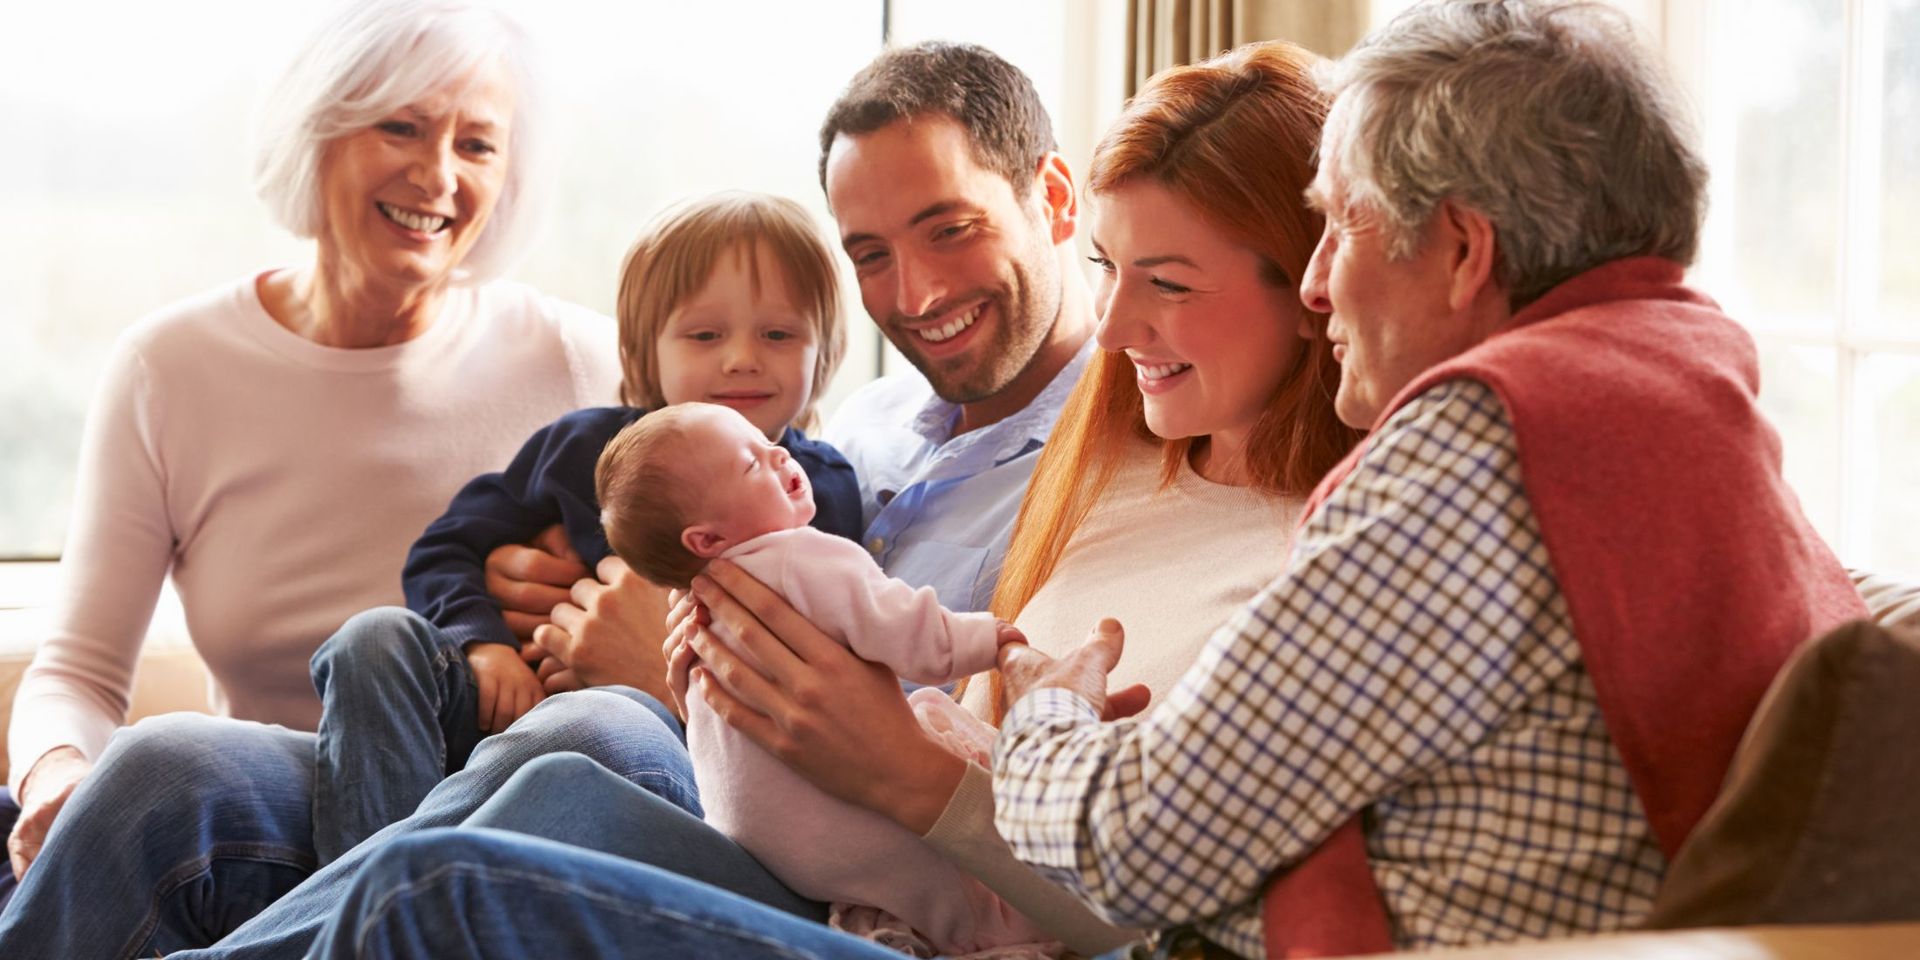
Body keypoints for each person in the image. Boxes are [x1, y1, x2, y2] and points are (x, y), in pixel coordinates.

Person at [0, 40, 1102, 960]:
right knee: (166, 769)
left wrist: (656, 668)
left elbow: (912, 707)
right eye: (869, 251)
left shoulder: (1063, 465)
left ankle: (338, 913)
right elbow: (510, 524)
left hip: (719, 784)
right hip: (467, 743)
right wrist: (488, 621)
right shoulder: (851, 423)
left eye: (475, 141)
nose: (911, 293)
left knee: (583, 732)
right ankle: (335, 895)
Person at [296, 39, 1362, 960]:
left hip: (915, 887)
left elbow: (1152, 896)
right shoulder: (1009, 449)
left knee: (503, 820)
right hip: (827, 833)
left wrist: (841, 745)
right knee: (191, 775)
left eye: (1166, 282)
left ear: (1317, 282)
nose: (1119, 326)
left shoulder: (1304, 553)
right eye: (870, 254)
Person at [987, 2, 1870, 957]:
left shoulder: (1483, 444)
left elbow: (1138, 844)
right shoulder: (1679, 383)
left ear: (1460, 250)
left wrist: (1045, 711)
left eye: (1336, 227)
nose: (1317, 283)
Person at [0, 0, 620, 902]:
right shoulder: (168, 369)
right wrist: (57, 774)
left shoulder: (580, 363)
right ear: (316, 131)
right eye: (400, 126)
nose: (437, 174)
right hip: (260, 829)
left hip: (497, 823)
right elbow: (80, 673)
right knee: (161, 768)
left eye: (478, 145)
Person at [305, 192, 863, 864]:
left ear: (824, 351)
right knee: (372, 638)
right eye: (705, 335)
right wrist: (484, 647)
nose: (742, 358)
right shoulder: (584, 449)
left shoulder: (820, 488)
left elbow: (824, 646)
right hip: (498, 702)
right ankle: (364, 891)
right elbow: (448, 546)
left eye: (778, 335)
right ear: (643, 350)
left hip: (647, 747)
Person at [599, 401, 1051, 956]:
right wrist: (992, 639)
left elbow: (711, 726)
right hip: (844, 825)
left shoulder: (698, 609)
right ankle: (990, 934)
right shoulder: (802, 558)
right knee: (944, 889)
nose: (780, 452)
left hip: (755, 841)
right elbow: (908, 632)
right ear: (707, 540)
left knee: (581, 730)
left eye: (768, 442)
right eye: (750, 464)